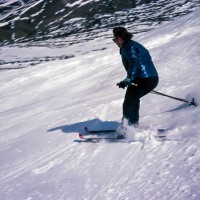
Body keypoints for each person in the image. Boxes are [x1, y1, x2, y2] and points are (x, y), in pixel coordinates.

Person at [113, 26, 159, 129]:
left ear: (120, 38)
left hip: (142, 79)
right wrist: (126, 80)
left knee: (128, 103)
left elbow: (134, 64)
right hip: (152, 78)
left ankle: (127, 129)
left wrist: (129, 78)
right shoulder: (131, 45)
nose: (115, 42)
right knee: (133, 100)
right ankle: (133, 126)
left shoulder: (129, 47)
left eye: (114, 39)